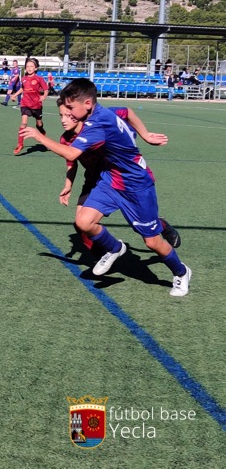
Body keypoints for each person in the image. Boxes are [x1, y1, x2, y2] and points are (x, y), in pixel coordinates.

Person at [19, 78, 192, 296]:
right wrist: (146, 135)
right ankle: (115, 248)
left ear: (87, 104)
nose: (68, 114)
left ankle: (181, 272)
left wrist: (39, 137)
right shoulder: (106, 112)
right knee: (83, 221)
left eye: (71, 108)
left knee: (152, 242)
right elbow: (128, 111)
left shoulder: (96, 125)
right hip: (110, 179)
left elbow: (71, 153)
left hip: (136, 185)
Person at [55, 98, 181, 259]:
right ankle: (103, 257)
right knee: (81, 224)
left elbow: (127, 112)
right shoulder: (66, 139)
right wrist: (68, 185)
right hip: (93, 180)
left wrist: (145, 135)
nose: (64, 119)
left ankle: (160, 225)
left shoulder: (103, 117)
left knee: (138, 222)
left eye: (69, 114)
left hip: (116, 176)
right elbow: (71, 162)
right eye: (61, 115)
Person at [11, 57, 48, 155]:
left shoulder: (39, 79)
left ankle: (42, 132)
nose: (29, 68)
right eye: (27, 66)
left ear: (36, 68)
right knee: (23, 123)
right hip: (25, 103)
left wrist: (44, 96)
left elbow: (46, 89)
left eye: (31, 66)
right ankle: (20, 144)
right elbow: (22, 89)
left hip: (36, 105)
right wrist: (15, 95)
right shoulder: (23, 79)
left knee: (39, 124)